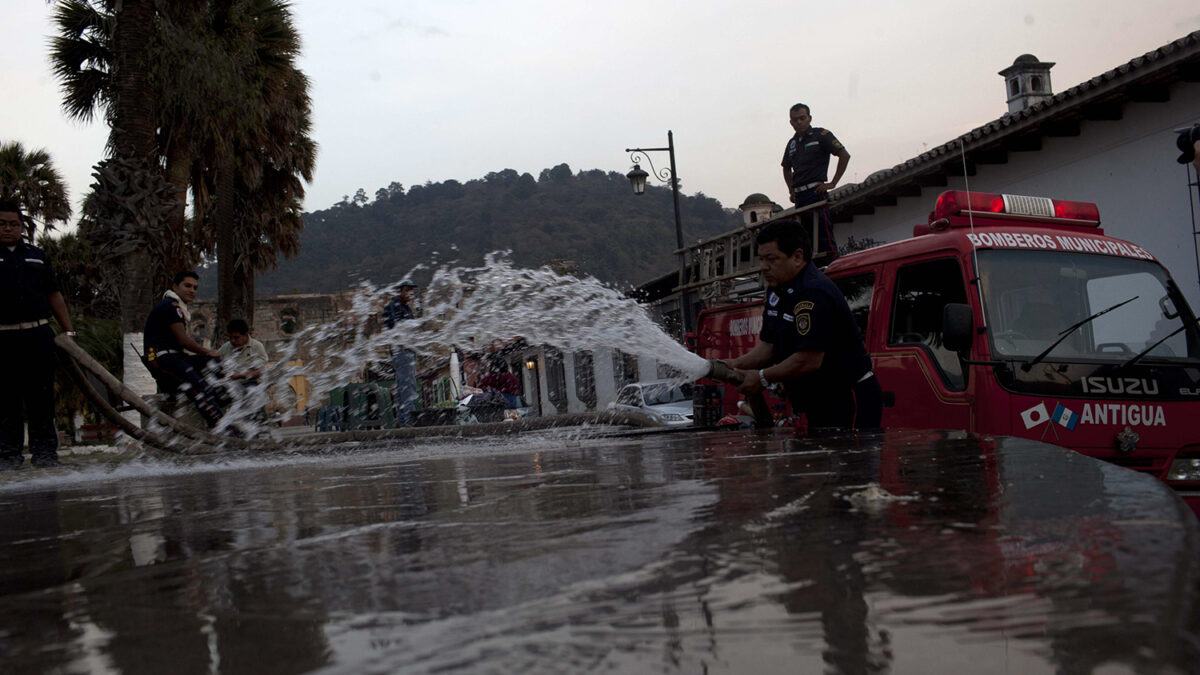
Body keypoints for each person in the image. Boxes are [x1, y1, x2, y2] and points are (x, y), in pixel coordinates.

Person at [724, 221, 881, 431]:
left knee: (848, 459)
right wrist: (732, 365)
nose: (764, 267)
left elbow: (808, 360)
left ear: (797, 257)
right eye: (761, 259)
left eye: (771, 259)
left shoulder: (814, 291)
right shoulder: (776, 289)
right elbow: (768, 347)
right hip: (815, 400)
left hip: (847, 397)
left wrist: (761, 377)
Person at [0, 200, 74, 469]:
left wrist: (68, 331)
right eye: (2, 223)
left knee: (41, 397)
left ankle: (45, 453)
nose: (8, 228)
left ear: (21, 227)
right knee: (6, 399)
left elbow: (54, 294)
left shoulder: (37, 256)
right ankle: (8, 456)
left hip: (37, 335)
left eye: (13, 224)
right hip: (3, 339)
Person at [143, 271, 226, 428]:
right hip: (164, 360)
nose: (192, 290)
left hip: (176, 358)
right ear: (175, 287)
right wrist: (207, 351)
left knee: (217, 365)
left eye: (195, 287)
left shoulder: (178, 308)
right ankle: (225, 430)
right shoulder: (170, 306)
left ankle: (215, 406)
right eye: (187, 286)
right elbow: (183, 341)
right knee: (201, 390)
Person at [781, 102, 850, 261]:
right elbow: (785, 167)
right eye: (795, 120)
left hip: (816, 193)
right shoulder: (792, 143)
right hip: (799, 197)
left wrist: (832, 183)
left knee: (823, 238)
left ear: (809, 118)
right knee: (805, 242)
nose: (799, 122)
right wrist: (791, 190)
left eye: (802, 118)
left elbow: (844, 155)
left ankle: (831, 271)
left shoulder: (822, 135)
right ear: (791, 123)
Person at [383, 280, 419, 425]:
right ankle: (409, 417)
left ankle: (403, 418)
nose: (410, 293)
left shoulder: (405, 307)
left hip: (406, 348)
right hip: (401, 349)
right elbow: (397, 326)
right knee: (407, 383)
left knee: (402, 384)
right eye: (407, 290)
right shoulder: (394, 306)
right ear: (399, 291)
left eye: (411, 290)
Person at [218, 319, 268, 383]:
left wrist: (240, 376)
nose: (232, 341)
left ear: (246, 335)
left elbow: (259, 372)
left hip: (252, 383)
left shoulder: (257, 346)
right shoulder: (226, 347)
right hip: (232, 384)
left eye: (236, 338)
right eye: (230, 337)